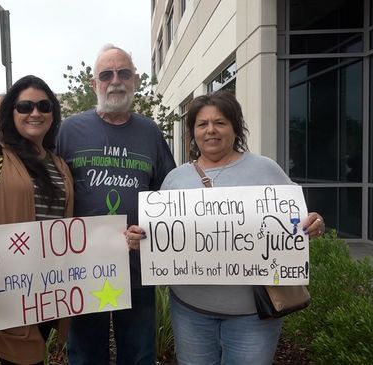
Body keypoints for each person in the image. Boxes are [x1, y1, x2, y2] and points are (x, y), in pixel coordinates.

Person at [145, 90, 325, 364]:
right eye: (202, 124)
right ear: (192, 132)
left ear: (235, 127)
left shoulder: (266, 169)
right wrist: (143, 237)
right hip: (190, 311)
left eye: (220, 122)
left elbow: (295, 222)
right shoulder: (175, 179)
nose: (211, 131)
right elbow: (163, 233)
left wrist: (313, 224)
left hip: (253, 315)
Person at [56, 44, 176, 364]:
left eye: (124, 73)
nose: (115, 81)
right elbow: (49, 189)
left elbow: (169, 193)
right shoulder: (69, 130)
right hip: (84, 267)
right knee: (84, 354)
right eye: (106, 75)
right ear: (94, 84)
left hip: (137, 266)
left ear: (135, 80)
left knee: (139, 354)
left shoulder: (150, 132)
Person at [0, 75, 74, 365]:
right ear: (11, 112)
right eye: (25, 106)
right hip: (10, 285)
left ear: (53, 114)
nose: (35, 113)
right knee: (24, 358)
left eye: (44, 106)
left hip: (50, 286)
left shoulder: (58, 163)